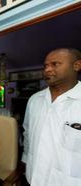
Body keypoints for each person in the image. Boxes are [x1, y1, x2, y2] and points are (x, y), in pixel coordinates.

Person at [21, 48, 81, 185]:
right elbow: (28, 134)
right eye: (45, 66)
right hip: (33, 179)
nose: (47, 70)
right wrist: (24, 162)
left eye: (55, 64)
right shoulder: (35, 100)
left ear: (76, 66)